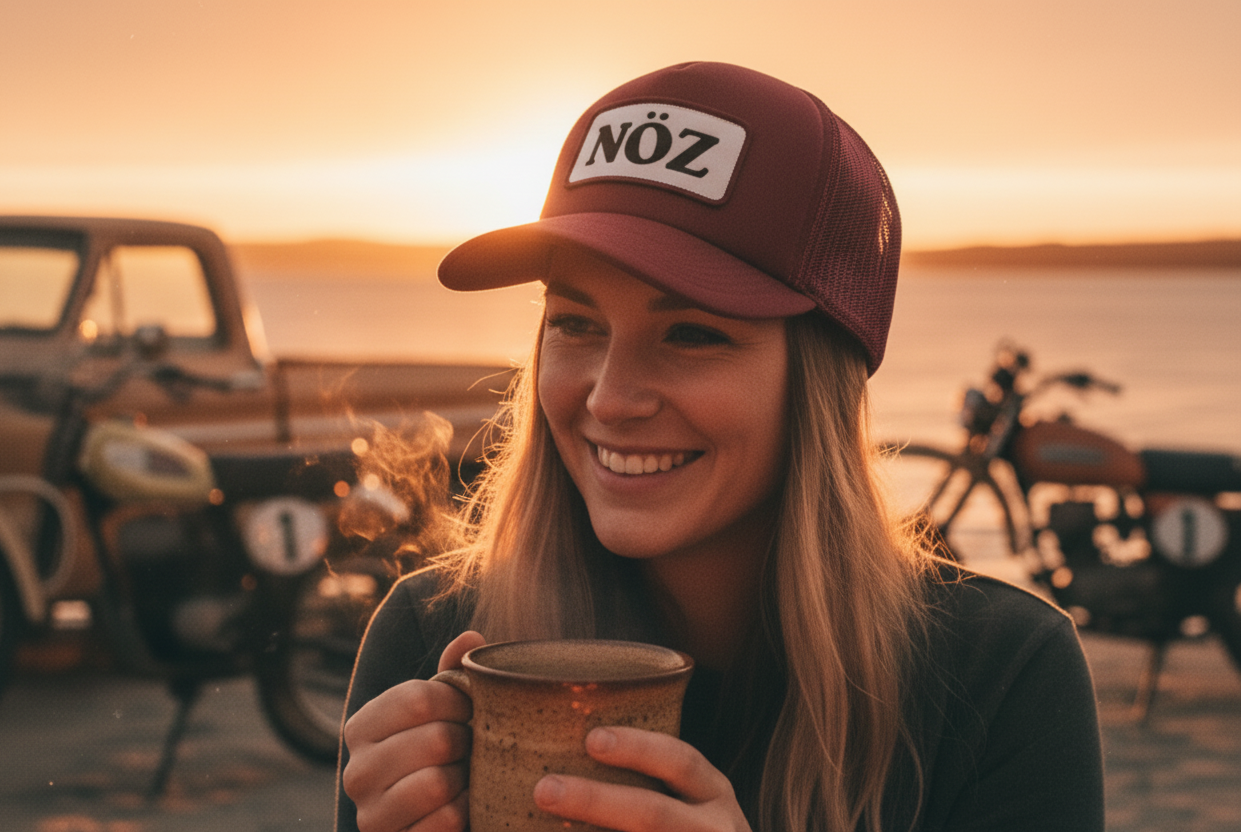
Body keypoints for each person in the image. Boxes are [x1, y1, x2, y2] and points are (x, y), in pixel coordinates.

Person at [336, 62, 1104, 832]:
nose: (608, 397)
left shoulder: (1000, 676)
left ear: (818, 381)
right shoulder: (433, 638)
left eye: (693, 333)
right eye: (575, 322)